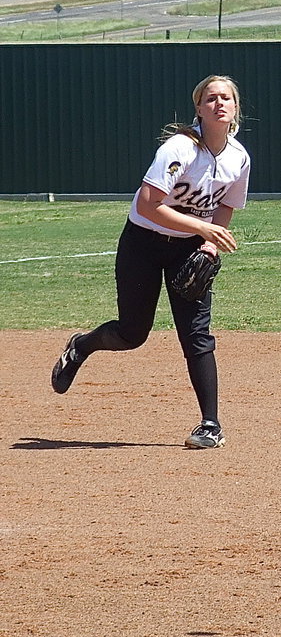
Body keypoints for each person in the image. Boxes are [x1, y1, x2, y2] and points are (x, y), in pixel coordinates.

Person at [51, 74, 251, 449]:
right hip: (142, 242)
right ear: (199, 108)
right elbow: (148, 204)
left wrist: (207, 245)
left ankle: (210, 424)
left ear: (236, 107)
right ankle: (81, 346)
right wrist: (203, 229)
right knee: (132, 333)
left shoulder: (238, 157)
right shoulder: (180, 148)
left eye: (226, 98)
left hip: (189, 247)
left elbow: (227, 204)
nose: (219, 103)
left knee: (196, 334)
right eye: (211, 98)